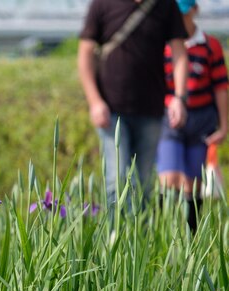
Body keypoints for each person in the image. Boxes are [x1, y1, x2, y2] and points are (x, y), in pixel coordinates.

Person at [78, 0, 189, 208]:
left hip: (152, 110)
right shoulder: (102, 4)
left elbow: (179, 53)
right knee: (116, 179)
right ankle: (114, 238)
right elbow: (85, 54)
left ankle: (142, 239)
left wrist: (180, 97)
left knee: (144, 183)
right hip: (110, 108)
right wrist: (94, 101)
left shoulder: (166, 5)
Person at [156, 0, 228, 234]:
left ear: (194, 11)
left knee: (192, 183)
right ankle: (159, 233)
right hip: (171, 118)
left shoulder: (210, 46)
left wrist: (224, 126)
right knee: (168, 177)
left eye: (183, 14)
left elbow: (220, 88)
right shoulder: (163, 46)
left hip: (201, 120)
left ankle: (191, 238)